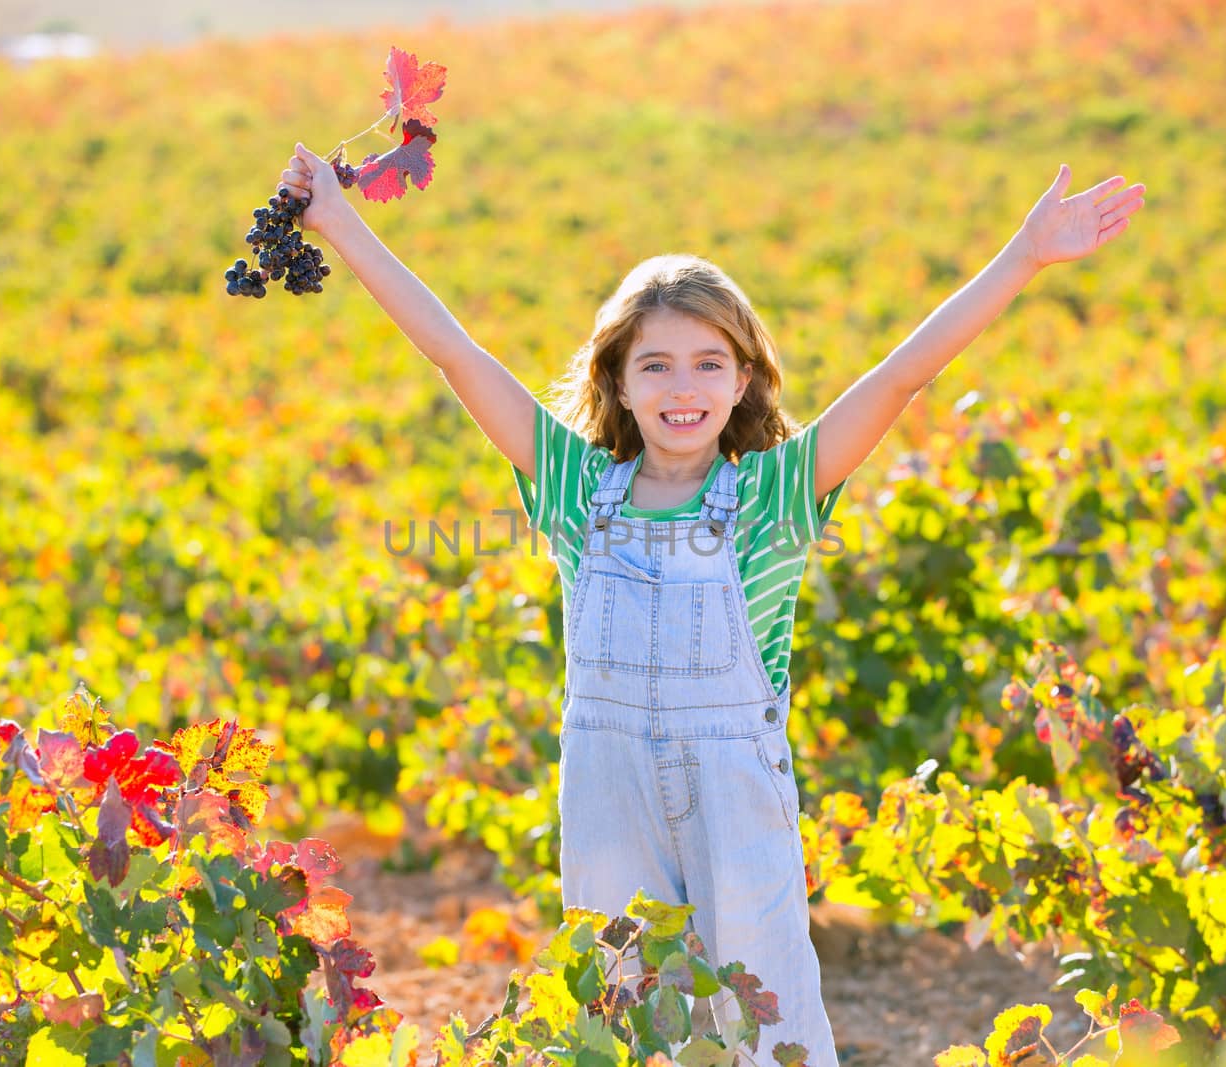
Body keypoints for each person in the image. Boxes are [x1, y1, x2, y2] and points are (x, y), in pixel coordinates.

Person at [276, 141, 1145, 1064]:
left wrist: (1024, 257)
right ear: (617, 381)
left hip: (736, 797)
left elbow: (901, 376)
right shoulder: (574, 486)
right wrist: (338, 220)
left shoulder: (776, 494)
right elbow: (453, 352)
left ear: (743, 381)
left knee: (761, 1023)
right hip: (609, 793)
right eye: (654, 365)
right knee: (620, 1011)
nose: (682, 387)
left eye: (707, 364)